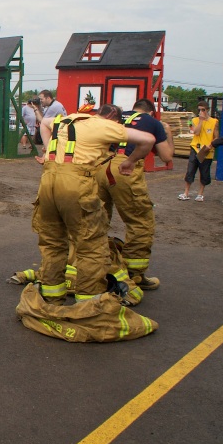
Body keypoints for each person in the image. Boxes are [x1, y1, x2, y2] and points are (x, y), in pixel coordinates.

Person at [34, 104, 155, 306]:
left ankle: (51, 300)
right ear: (114, 118)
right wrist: (130, 161)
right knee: (91, 246)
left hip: (47, 183)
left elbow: (44, 123)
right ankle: (88, 304)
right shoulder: (105, 125)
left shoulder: (67, 120)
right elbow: (148, 139)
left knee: (52, 243)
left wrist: (48, 153)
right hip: (76, 184)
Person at [96, 98, 173, 292]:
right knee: (140, 221)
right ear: (151, 112)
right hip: (124, 168)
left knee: (98, 219)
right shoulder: (153, 123)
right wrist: (168, 133)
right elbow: (167, 157)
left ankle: (94, 268)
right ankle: (134, 274)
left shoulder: (118, 117)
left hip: (100, 166)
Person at [179, 101, 218, 202]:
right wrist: (201, 121)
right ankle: (186, 192)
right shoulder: (194, 120)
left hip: (206, 150)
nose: (201, 112)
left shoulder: (214, 121)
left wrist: (210, 145)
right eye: (199, 110)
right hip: (195, 148)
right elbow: (196, 132)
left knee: (204, 172)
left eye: (203, 110)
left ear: (207, 110)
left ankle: (200, 194)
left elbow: (216, 137)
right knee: (190, 170)